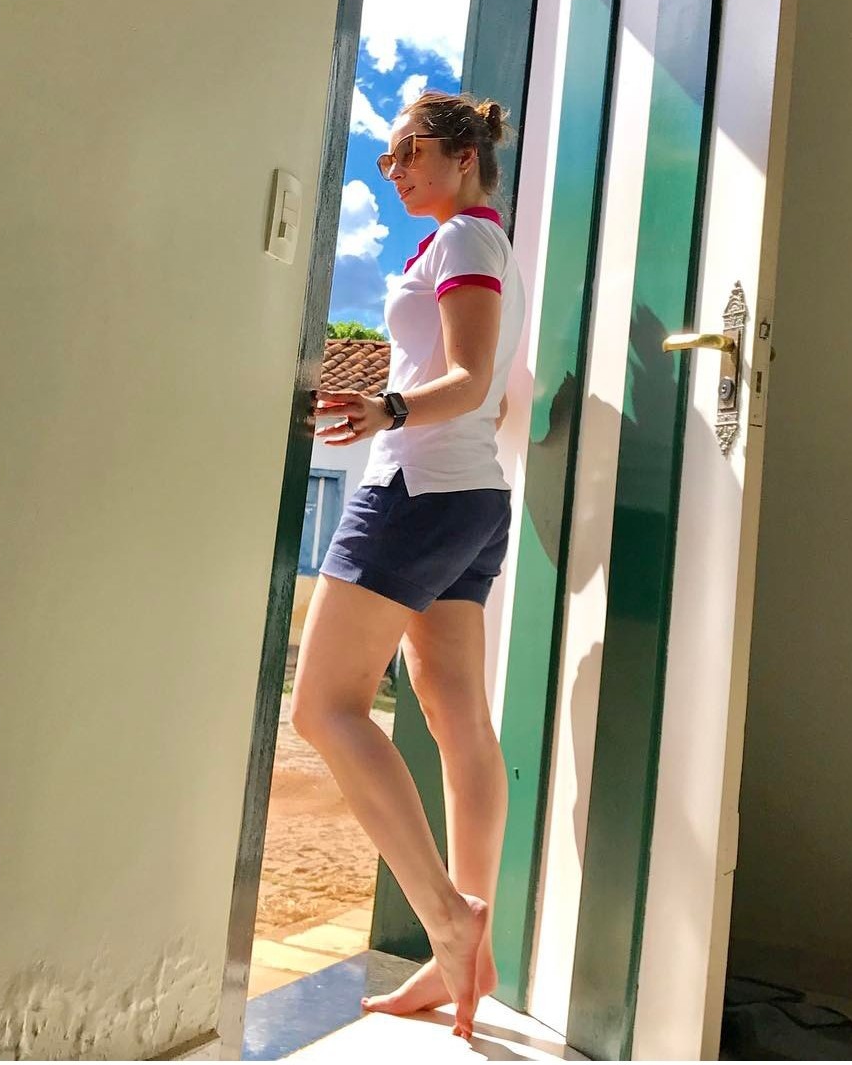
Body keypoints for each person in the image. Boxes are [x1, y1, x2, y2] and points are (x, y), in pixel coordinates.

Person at [290, 89, 524, 1042]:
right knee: (458, 718)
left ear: (464, 154)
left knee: (323, 707)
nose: (393, 171)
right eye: (386, 159)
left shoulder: (465, 238)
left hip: (418, 494)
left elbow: (469, 380)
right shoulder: (478, 243)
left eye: (409, 151)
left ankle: (447, 916)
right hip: (471, 500)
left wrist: (386, 410)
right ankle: (469, 952)